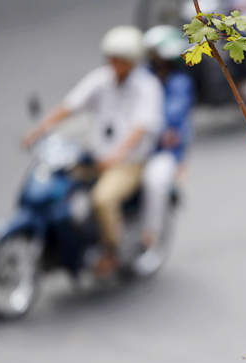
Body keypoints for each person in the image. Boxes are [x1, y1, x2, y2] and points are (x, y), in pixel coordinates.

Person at [22, 25, 164, 276]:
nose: (113, 64)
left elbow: (140, 127)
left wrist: (117, 156)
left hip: (128, 163)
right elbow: (70, 105)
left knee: (103, 198)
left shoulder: (147, 87)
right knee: (58, 186)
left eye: (119, 60)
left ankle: (113, 252)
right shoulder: (102, 79)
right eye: (111, 58)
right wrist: (40, 129)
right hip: (95, 157)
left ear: (132, 61)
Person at [136, 25, 195, 272]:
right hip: (134, 146)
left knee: (154, 183)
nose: (153, 58)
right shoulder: (142, 76)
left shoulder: (180, 83)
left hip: (164, 151)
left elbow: (170, 119)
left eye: (156, 53)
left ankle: (151, 242)